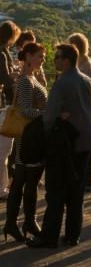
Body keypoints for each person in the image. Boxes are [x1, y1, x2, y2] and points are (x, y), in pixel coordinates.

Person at [27, 43, 91, 249]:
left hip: (65, 144)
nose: (54, 61)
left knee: (56, 190)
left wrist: (56, 119)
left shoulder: (61, 83)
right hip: (85, 142)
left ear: (65, 60)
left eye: (57, 57)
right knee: (76, 192)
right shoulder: (87, 81)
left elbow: (48, 117)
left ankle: (49, 236)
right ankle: (72, 234)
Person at [4, 41, 47, 242]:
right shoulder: (25, 80)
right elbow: (26, 111)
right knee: (27, 183)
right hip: (28, 139)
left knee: (23, 182)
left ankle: (16, 223)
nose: (42, 60)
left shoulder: (30, 77)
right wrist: (48, 113)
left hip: (29, 138)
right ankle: (26, 222)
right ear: (28, 56)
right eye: (39, 55)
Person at [68, 32, 91, 191]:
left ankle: (83, 181)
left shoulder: (84, 66)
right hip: (88, 112)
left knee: (82, 149)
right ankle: (85, 181)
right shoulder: (89, 64)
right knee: (85, 148)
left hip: (82, 113)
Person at [0, 19, 21, 195]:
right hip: (3, 102)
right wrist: (15, 75)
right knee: (4, 150)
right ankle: (2, 188)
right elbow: (5, 79)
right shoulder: (2, 53)